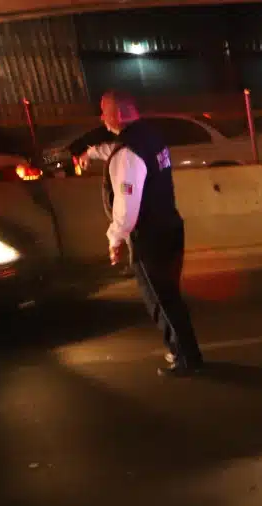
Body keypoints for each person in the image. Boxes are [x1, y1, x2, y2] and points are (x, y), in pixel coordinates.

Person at [76, 91, 205, 376]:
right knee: (170, 296)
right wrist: (90, 153)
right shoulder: (149, 137)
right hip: (170, 228)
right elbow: (115, 150)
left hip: (150, 237)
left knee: (161, 300)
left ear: (119, 114)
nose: (101, 117)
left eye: (104, 111)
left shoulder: (128, 153)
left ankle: (185, 357)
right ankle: (188, 353)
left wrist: (115, 238)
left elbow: (127, 205)